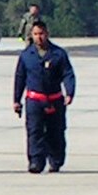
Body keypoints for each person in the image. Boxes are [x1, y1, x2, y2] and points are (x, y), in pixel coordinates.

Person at [12, 19, 76, 173]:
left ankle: (55, 160)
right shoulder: (26, 55)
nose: (38, 37)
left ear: (47, 34)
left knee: (56, 131)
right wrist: (16, 100)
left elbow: (68, 74)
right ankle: (36, 161)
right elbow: (20, 78)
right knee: (35, 131)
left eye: (41, 34)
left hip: (55, 99)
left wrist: (70, 92)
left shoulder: (59, 54)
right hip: (34, 100)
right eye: (35, 34)